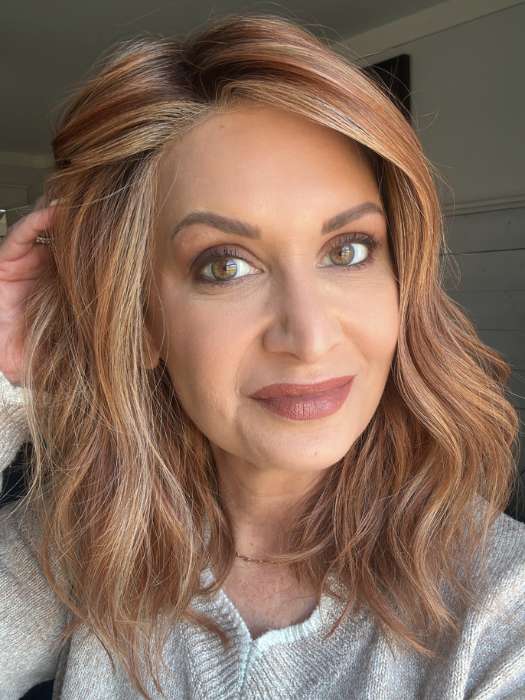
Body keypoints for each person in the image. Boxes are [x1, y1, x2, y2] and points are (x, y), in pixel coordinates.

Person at [0, 12, 524, 700]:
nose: (309, 336)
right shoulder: (83, 539)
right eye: (225, 265)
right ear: (143, 321)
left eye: (348, 250)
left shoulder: (499, 607)